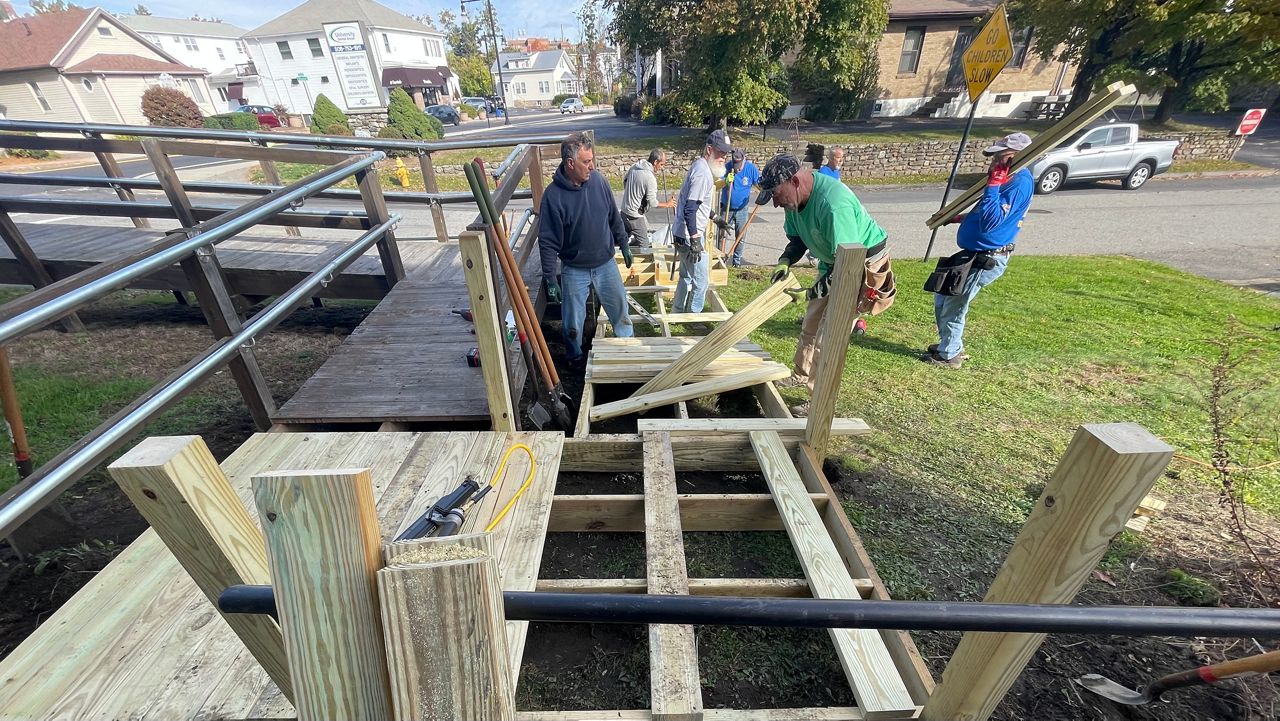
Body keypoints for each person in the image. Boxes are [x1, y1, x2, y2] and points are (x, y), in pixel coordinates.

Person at [758, 153, 892, 415]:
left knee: (828, 334)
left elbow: (847, 266)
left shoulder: (833, 205)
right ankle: (801, 373)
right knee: (811, 321)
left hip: (860, 264)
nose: (775, 204)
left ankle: (817, 398)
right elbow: (797, 240)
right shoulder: (794, 204)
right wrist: (785, 260)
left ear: (795, 181)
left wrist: (809, 292)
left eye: (776, 194)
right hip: (833, 261)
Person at [924, 132, 1034, 369]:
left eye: (1000, 157)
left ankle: (949, 355)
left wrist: (993, 185)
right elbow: (985, 216)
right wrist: (958, 218)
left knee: (954, 305)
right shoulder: (1009, 181)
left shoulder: (1019, 183)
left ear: (1017, 157)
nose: (994, 163)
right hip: (974, 254)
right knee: (943, 298)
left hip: (987, 258)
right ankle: (950, 343)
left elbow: (991, 222)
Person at [538, 131, 634, 364]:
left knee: (621, 313)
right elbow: (548, 241)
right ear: (570, 163)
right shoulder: (553, 197)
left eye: (592, 160)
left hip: (605, 264)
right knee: (572, 323)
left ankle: (629, 348)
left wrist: (623, 243)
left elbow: (613, 216)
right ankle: (575, 357)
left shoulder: (598, 182)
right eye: (587, 162)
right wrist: (550, 279)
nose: (592, 166)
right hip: (574, 268)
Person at [672, 128, 732, 314]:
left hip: (682, 233)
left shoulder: (700, 166)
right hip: (690, 237)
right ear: (709, 149)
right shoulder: (703, 174)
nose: (723, 156)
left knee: (686, 276)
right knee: (701, 281)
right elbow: (690, 209)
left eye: (725, 153)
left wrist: (716, 218)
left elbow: (699, 204)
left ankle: (677, 311)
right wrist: (696, 240)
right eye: (720, 152)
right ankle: (693, 316)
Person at [621, 149, 675, 251]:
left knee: (623, 238)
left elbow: (625, 181)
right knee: (644, 244)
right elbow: (653, 202)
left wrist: (631, 195)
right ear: (655, 162)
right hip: (634, 216)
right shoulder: (650, 178)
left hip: (624, 211)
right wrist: (668, 204)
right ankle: (636, 264)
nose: (662, 168)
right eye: (662, 164)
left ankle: (624, 254)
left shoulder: (635, 166)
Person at [717, 148, 760, 267]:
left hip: (742, 209)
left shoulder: (750, 169)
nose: (736, 167)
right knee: (722, 235)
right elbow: (716, 184)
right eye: (735, 163)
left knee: (740, 236)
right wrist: (725, 181)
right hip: (727, 208)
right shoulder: (727, 167)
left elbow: (758, 184)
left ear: (744, 159)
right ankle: (719, 260)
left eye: (739, 164)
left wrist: (764, 192)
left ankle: (736, 262)